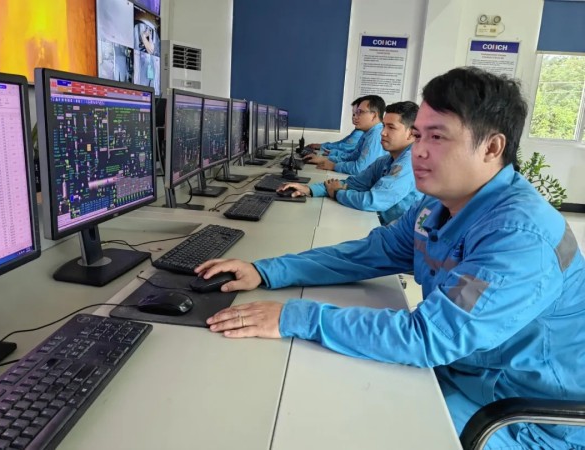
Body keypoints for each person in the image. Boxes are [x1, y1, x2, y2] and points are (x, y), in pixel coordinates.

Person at [197, 67, 585, 449]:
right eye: (418, 135)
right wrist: (265, 271)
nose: (419, 150)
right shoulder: (437, 206)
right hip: (461, 373)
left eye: (437, 137)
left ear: (492, 147)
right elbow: (369, 253)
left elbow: (429, 337)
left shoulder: (520, 237)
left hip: (522, 417)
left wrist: (295, 317)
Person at [279, 101, 423, 226]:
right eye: (384, 126)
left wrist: (337, 193)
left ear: (412, 133)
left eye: (391, 127)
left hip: (398, 238)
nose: (383, 132)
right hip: (378, 223)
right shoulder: (386, 160)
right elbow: (355, 183)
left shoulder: (410, 162)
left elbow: (373, 201)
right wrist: (309, 189)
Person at [304, 95, 386, 175]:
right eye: (355, 113)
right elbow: (352, 157)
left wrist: (334, 166)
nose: (355, 117)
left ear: (374, 115)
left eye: (360, 112)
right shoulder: (367, 133)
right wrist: (326, 159)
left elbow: (360, 169)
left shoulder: (376, 136)